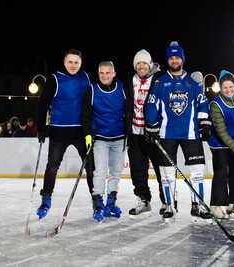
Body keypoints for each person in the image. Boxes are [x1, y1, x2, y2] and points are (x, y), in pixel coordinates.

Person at [144, 41, 212, 222]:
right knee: (166, 173)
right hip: (166, 134)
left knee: (197, 171)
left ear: (182, 59)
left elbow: (202, 101)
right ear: (168, 60)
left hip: (191, 133)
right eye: (171, 58)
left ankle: (198, 206)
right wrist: (151, 125)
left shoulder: (193, 81)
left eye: (177, 57)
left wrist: (204, 121)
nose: (174, 60)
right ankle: (170, 205)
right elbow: (151, 104)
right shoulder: (160, 81)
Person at [35, 49, 94, 220]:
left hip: (82, 132)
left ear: (80, 63)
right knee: (52, 166)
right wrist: (40, 128)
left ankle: (96, 199)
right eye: (70, 62)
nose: (73, 65)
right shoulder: (54, 79)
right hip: (59, 131)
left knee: (91, 167)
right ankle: (46, 199)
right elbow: (42, 104)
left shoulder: (87, 77)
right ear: (64, 62)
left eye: (76, 62)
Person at [81, 61, 126, 222]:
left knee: (116, 171)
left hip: (119, 137)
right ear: (98, 74)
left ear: (114, 74)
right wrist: (87, 135)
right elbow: (85, 115)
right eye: (102, 73)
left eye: (108, 73)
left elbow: (129, 110)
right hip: (100, 138)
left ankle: (111, 202)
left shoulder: (122, 88)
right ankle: (97, 203)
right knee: (99, 171)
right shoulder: (92, 90)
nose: (105, 76)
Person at [124, 49, 166, 219]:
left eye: (144, 63)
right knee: (137, 171)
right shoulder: (129, 81)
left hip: (155, 133)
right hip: (135, 134)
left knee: (162, 169)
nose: (141, 66)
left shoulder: (159, 80)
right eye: (138, 63)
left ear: (150, 64)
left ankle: (167, 201)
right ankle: (144, 200)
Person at [207, 70, 234, 219]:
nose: (229, 91)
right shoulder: (216, 105)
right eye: (225, 88)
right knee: (222, 171)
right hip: (218, 142)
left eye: (231, 87)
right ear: (221, 89)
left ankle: (233, 204)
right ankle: (215, 205)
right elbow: (221, 132)